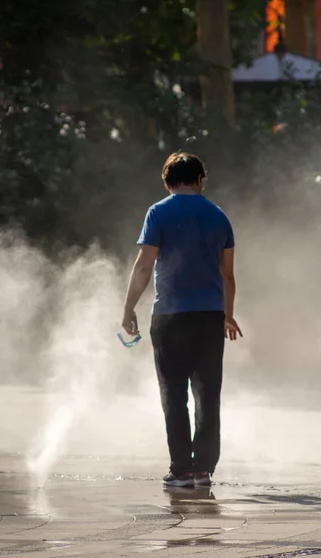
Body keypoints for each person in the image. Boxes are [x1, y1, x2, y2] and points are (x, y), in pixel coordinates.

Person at [121, 151, 242, 487]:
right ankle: (203, 469)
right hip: (209, 317)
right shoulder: (219, 216)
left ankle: (181, 470)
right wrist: (228, 316)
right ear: (200, 180)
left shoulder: (157, 212)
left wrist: (129, 307)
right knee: (207, 393)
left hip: (170, 315)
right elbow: (228, 275)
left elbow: (144, 265)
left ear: (167, 181)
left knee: (173, 394)